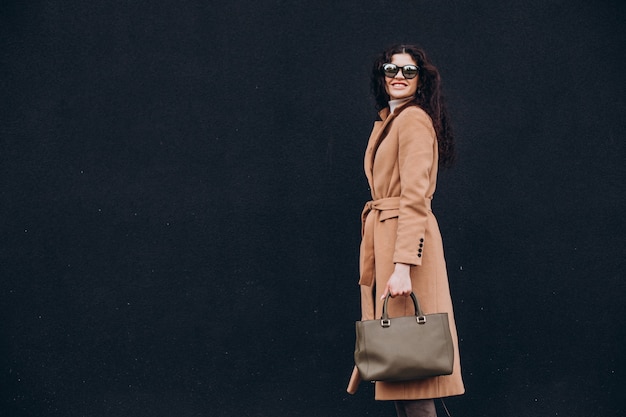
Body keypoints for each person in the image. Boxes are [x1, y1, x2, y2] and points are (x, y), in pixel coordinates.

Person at [346, 44, 465, 417]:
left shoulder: (413, 120)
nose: (398, 76)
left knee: (411, 369)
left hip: (405, 251)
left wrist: (402, 266)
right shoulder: (390, 120)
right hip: (391, 243)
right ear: (381, 76)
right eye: (391, 69)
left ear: (421, 80)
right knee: (400, 369)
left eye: (409, 71)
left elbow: (415, 198)